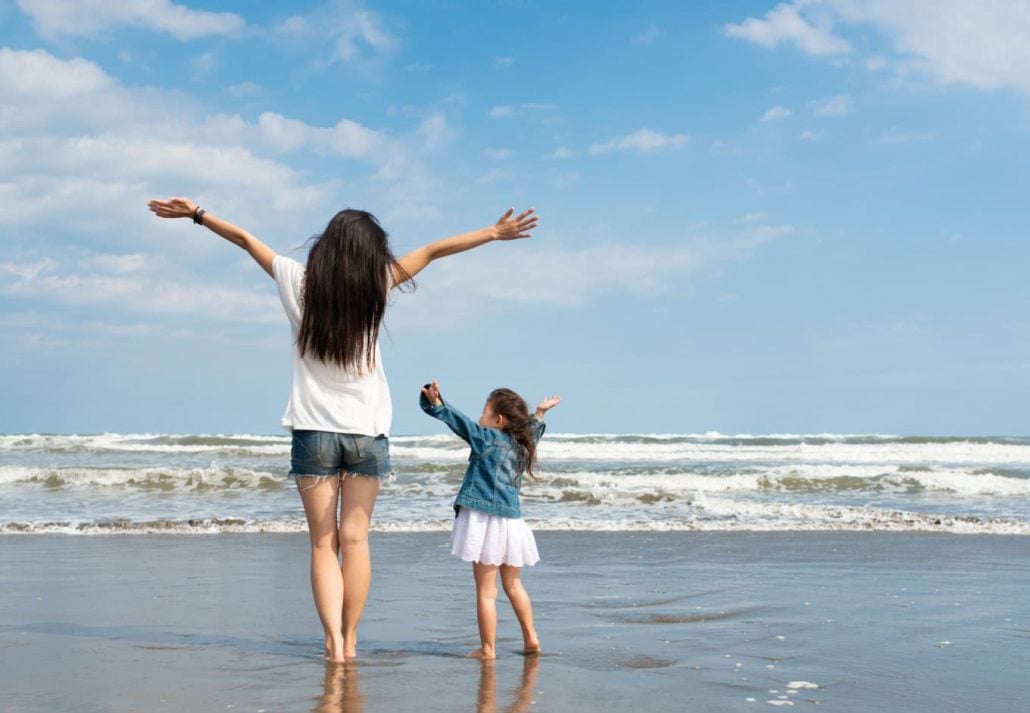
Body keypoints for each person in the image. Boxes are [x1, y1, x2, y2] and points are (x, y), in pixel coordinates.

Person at [147, 196, 538, 662]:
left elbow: (246, 240)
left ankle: (333, 645)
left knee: (323, 542)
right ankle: (351, 641)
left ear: (327, 247)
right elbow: (433, 250)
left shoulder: (297, 280)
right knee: (355, 541)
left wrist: (197, 215)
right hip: (366, 433)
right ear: (370, 253)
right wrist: (491, 234)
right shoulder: (375, 284)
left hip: (313, 432)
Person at [419, 380, 560, 659]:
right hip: (511, 524)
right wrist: (540, 414)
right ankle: (531, 638)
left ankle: (488, 649)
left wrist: (436, 404)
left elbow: (459, 422)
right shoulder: (523, 444)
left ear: (498, 420)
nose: (479, 418)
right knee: (514, 585)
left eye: (484, 413)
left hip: (484, 523)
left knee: (486, 592)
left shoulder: (486, 438)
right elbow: (532, 430)